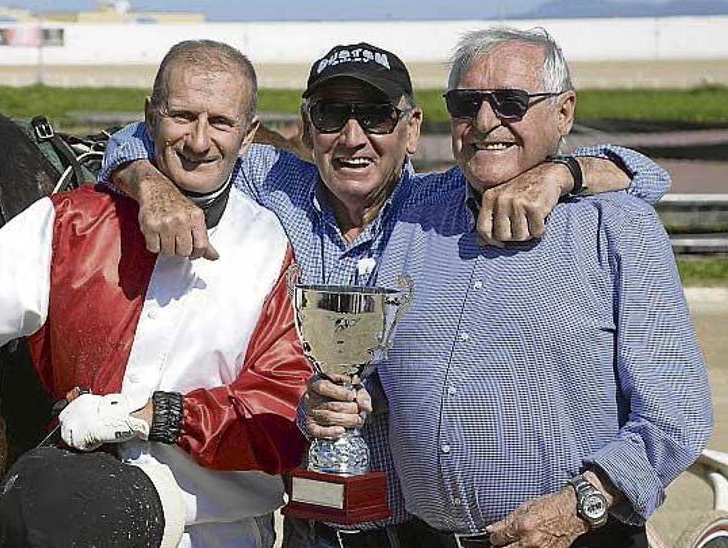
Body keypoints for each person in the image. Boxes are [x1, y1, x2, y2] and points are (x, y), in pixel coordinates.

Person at [98, 42, 672, 547]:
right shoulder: (272, 181)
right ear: (306, 126)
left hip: (412, 526)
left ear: (413, 130)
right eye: (331, 115)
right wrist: (149, 185)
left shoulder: (439, 203)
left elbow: (645, 175)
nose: (353, 138)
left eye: (375, 116)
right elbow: (137, 135)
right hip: (307, 520)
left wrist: (564, 173)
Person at [0, 40, 311, 548]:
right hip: (70, 523)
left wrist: (150, 418)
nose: (199, 141)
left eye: (220, 123)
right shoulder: (71, 221)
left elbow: (281, 412)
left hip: (217, 535)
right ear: (150, 116)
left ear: (247, 136)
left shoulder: (272, 252)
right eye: (182, 116)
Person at [304, 27, 713, 548]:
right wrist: (341, 399)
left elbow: (676, 410)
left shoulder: (619, 227)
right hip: (420, 535)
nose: (485, 122)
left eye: (511, 103)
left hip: (573, 535)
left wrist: (582, 504)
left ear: (563, 114)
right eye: (466, 103)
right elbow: (384, 375)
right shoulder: (410, 212)